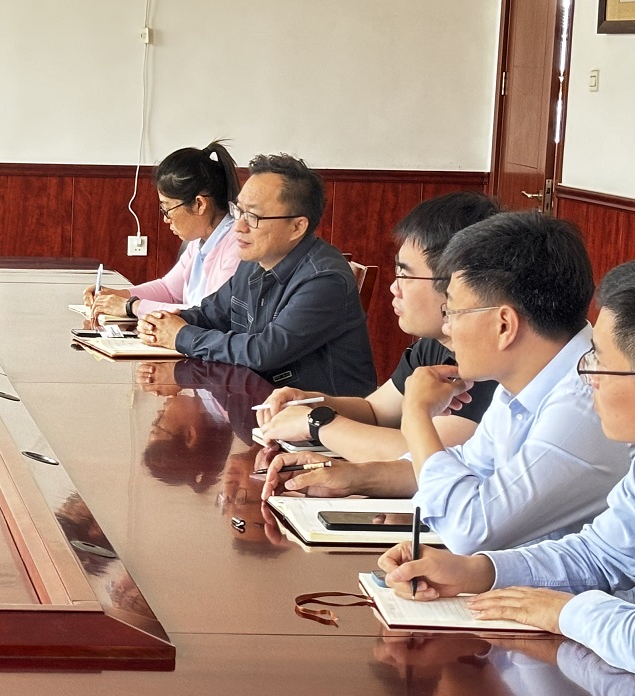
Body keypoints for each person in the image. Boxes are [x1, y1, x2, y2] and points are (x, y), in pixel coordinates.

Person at [380, 242, 635, 696]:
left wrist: (565, 611)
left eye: (599, 363)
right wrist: (478, 571)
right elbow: (602, 555)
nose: (586, 377)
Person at [266, 212, 632, 553]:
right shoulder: (528, 376)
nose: (447, 327)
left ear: (504, 325)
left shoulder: (585, 400)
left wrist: (416, 413)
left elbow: (471, 527)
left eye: (453, 311)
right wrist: (351, 477)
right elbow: (467, 466)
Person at [256, 191, 502, 462]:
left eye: (405, 275)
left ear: (459, 283)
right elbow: (375, 411)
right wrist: (309, 401)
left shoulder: (487, 363)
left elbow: (426, 458)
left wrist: (316, 423)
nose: (394, 287)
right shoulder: (432, 346)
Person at [135, 154, 377, 396]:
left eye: (253, 217)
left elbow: (263, 352)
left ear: (297, 227)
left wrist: (181, 335)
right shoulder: (254, 261)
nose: (239, 226)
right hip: (258, 400)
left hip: (317, 413)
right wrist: (163, 323)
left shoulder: (324, 280)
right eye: (238, 211)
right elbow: (211, 313)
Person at [84, 142, 244, 319]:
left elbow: (206, 315)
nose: (166, 219)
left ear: (199, 204)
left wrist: (131, 306)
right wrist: (120, 295)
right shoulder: (201, 240)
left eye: (167, 209)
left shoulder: (238, 246)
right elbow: (168, 290)